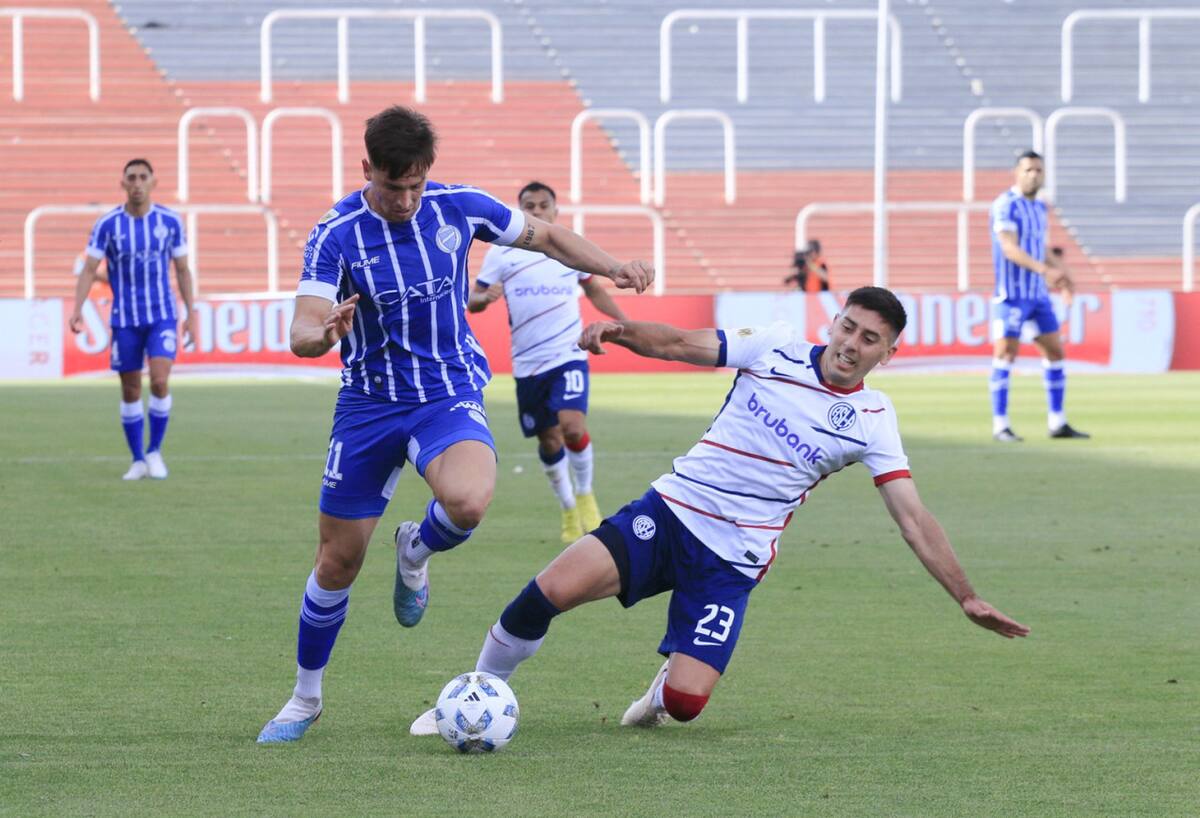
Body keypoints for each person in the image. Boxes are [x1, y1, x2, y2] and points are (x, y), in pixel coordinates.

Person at [410, 286, 1029, 736]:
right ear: (835, 322)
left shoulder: (873, 419)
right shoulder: (777, 347)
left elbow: (913, 518)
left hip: (732, 561)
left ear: (887, 353)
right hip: (671, 514)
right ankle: (474, 696)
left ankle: (662, 690)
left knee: (685, 705)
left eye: (870, 339)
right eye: (849, 327)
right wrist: (620, 331)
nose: (851, 344)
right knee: (543, 594)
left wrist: (966, 597)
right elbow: (681, 343)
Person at [256, 105, 653, 743]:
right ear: (367, 169)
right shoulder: (336, 233)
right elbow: (303, 326)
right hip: (368, 404)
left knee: (468, 502)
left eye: (415, 185)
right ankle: (305, 699)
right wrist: (322, 334)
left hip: (446, 392)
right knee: (337, 561)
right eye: (393, 187)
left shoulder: (459, 207)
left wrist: (611, 266)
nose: (406, 200)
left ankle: (416, 549)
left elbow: (547, 237)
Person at [469, 181, 628, 544]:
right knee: (549, 439)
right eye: (530, 206)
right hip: (528, 362)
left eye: (544, 205)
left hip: (568, 352)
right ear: (520, 210)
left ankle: (585, 495)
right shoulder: (501, 252)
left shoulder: (568, 248)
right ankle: (568, 507)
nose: (537, 211)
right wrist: (484, 298)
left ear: (556, 211)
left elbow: (594, 289)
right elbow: (473, 300)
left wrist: (625, 323)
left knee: (572, 427)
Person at [69, 158, 197, 480]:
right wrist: (77, 309)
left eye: (142, 177)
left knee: (159, 380)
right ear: (123, 184)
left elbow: (183, 269)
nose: (137, 183)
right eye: (131, 178)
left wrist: (191, 314)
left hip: (161, 316)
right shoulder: (108, 224)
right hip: (125, 319)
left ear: (153, 182)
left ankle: (154, 451)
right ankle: (138, 459)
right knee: (130, 389)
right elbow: (89, 269)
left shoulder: (170, 221)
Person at [989, 151, 1089, 442]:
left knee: (1055, 352)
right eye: (1028, 170)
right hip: (1012, 295)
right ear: (1017, 173)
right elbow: (1009, 248)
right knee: (1006, 354)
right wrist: (1046, 271)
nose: (1034, 175)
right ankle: (1000, 425)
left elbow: (1040, 247)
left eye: (1038, 170)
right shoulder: (1006, 205)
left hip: (1038, 295)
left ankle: (1057, 422)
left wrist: (1065, 276)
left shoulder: (1040, 207)